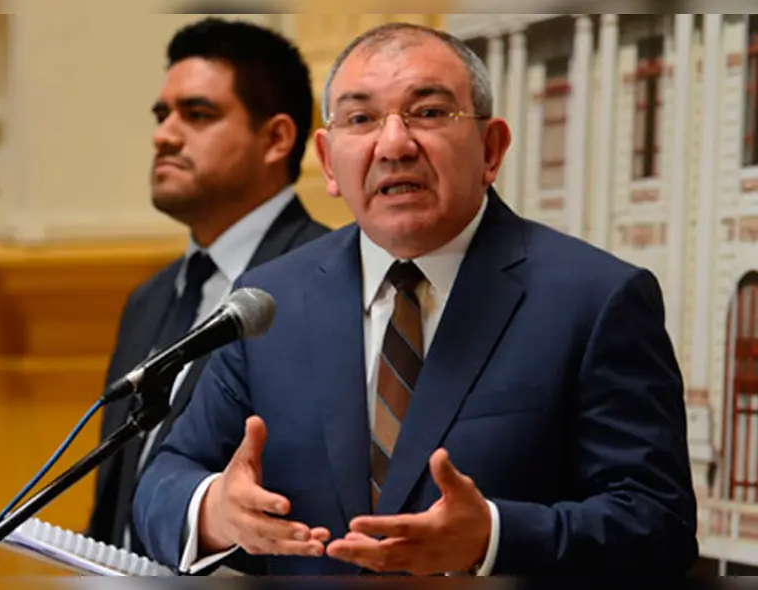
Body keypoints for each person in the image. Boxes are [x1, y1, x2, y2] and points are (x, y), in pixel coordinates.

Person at [132, 22, 699, 576]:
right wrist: (213, 510)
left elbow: (657, 524)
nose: (394, 144)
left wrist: (493, 537)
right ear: (329, 163)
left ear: (491, 147)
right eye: (361, 119)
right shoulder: (273, 298)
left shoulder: (596, 298)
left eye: (428, 113)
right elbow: (165, 478)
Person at [85, 17, 329, 560]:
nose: (164, 134)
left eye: (197, 115)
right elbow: (116, 499)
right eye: (162, 114)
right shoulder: (149, 299)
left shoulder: (328, 284)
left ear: (276, 139)